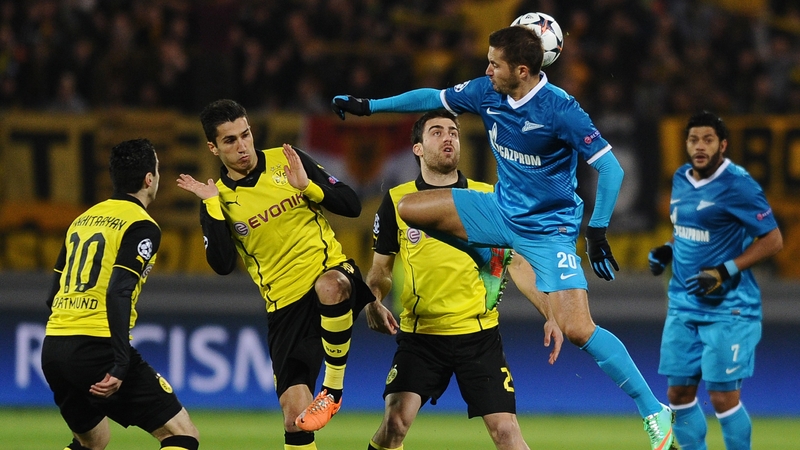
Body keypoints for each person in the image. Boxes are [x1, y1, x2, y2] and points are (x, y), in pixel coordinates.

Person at [332, 25, 675, 450]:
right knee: (409, 209)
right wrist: (370, 106)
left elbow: (611, 170)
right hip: (499, 211)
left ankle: (653, 409)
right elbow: (430, 97)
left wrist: (597, 232)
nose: (487, 70)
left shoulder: (561, 110)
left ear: (523, 69)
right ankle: (489, 251)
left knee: (578, 328)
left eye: (495, 64)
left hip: (549, 230)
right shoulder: (487, 92)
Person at [176, 99, 374, 449]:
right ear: (213, 147)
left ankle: (334, 387)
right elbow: (222, 265)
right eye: (230, 141)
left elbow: (351, 203)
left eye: (246, 135)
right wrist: (209, 205)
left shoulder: (287, 160)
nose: (242, 147)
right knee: (295, 419)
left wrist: (307, 187)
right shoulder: (217, 198)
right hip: (284, 306)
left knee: (330, 286)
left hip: (331, 271)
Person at [365, 110, 563, 450]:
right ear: (417, 147)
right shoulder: (398, 201)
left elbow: (517, 265)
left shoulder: (489, 198)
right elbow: (380, 270)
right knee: (395, 423)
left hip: (478, 336)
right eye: (437, 132)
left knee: (506, 431)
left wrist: (552, 313)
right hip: (420, 336)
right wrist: (373, 299)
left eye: (453, 132)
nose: (448, 138)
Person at [41, 139, 200, 450]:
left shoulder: (82, 221)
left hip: (55, 347)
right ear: (149, 179)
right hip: (97, 346)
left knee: (93, 441)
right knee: (182, 435)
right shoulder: (141, 226)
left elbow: (53, 295)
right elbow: (118, 290)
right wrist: (120, 361)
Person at [648, 111, 783, 450]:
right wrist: (668, 249)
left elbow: (773, 240)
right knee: (677, 394)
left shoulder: (739, 184)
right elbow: (688, 232)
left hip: (729, 308)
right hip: (682, 302)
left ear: (722, 145)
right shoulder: (681, 178)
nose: (700, 146)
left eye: (708, 139)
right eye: (693, 139)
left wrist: (724, 271)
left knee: (723, 397)